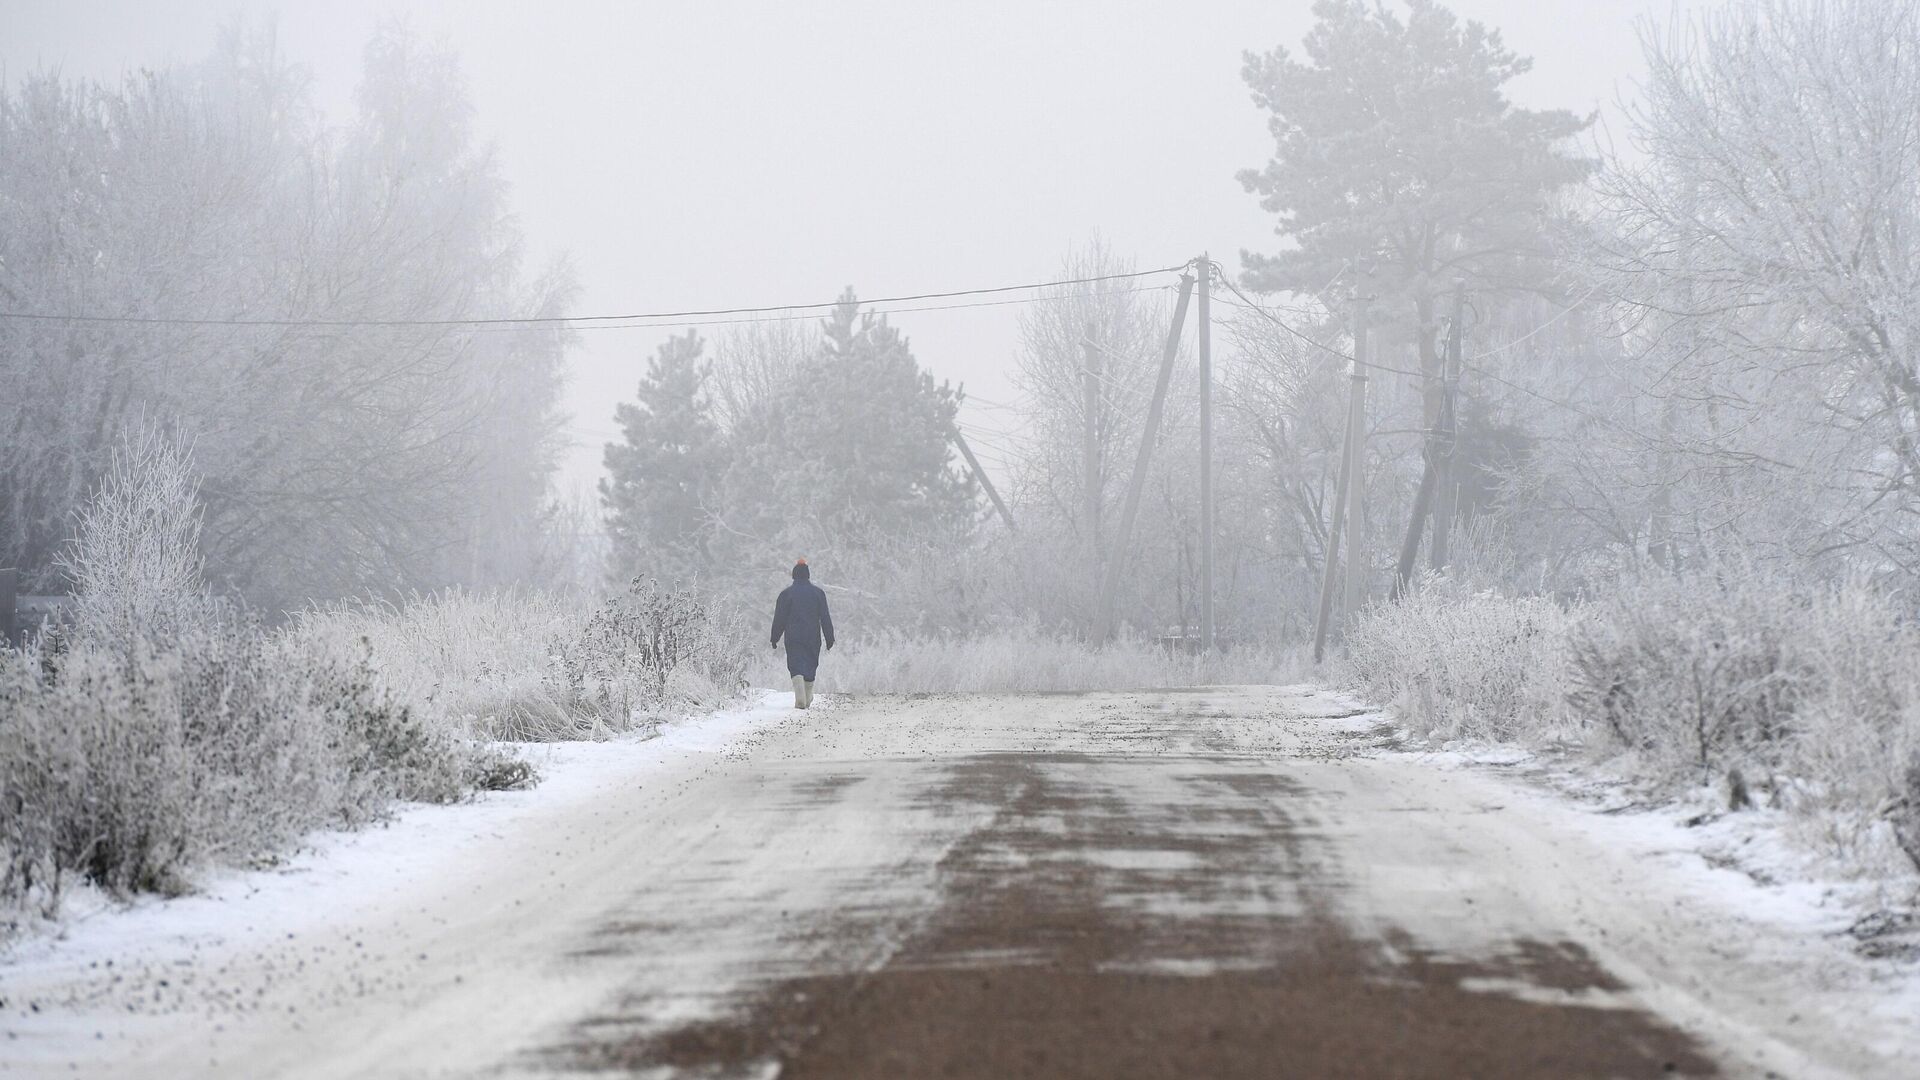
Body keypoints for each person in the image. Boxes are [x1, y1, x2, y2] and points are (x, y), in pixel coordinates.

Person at [771, 558, 833, 709]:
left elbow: (779, 618)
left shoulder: (786, 594)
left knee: (795, 665)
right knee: (811, 664)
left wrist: (775, 637)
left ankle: (800, 697)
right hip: (812, 636)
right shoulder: (818, 594)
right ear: (808, 575)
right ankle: (807, 696)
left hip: (793, 636)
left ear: (794, 575)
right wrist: (829, 637)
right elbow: (825, 617)